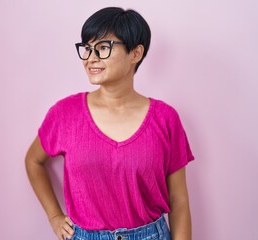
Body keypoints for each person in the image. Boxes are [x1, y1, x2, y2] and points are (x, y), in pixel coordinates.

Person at [25, 6, 195, 240]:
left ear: (135, 53)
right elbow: (33, 160)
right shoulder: (64, 114)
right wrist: (54, 216)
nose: (90, 58)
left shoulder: (165, 118)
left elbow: (179, 201)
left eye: (103, 48)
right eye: (87, 48)